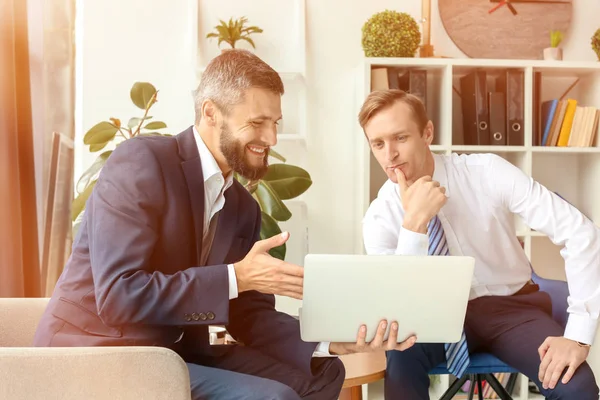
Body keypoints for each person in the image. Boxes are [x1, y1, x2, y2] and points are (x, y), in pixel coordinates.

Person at [33, 49, 414, 400]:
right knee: (273, 397)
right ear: (211, 112)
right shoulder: (141, 162)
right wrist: (236, 277)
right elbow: (119, 296)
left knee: (321, 373)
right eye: (257, 122)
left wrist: (329, 341)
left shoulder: (241, 207)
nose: (271, 138)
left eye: (275, 123)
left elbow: (248, 316)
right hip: (100, 352)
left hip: (173, 352)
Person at [358, 89, 600, 400]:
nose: (389, 155)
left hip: (510, 309)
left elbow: (580, 232)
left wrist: (578, 338)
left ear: (427, 132)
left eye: (400, 138)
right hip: (431, 317)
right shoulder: (380, 215)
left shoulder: (486, 172)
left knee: (575, 386)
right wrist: (414, 223)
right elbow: (397, 305)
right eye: (378, 143)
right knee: (400, 360)